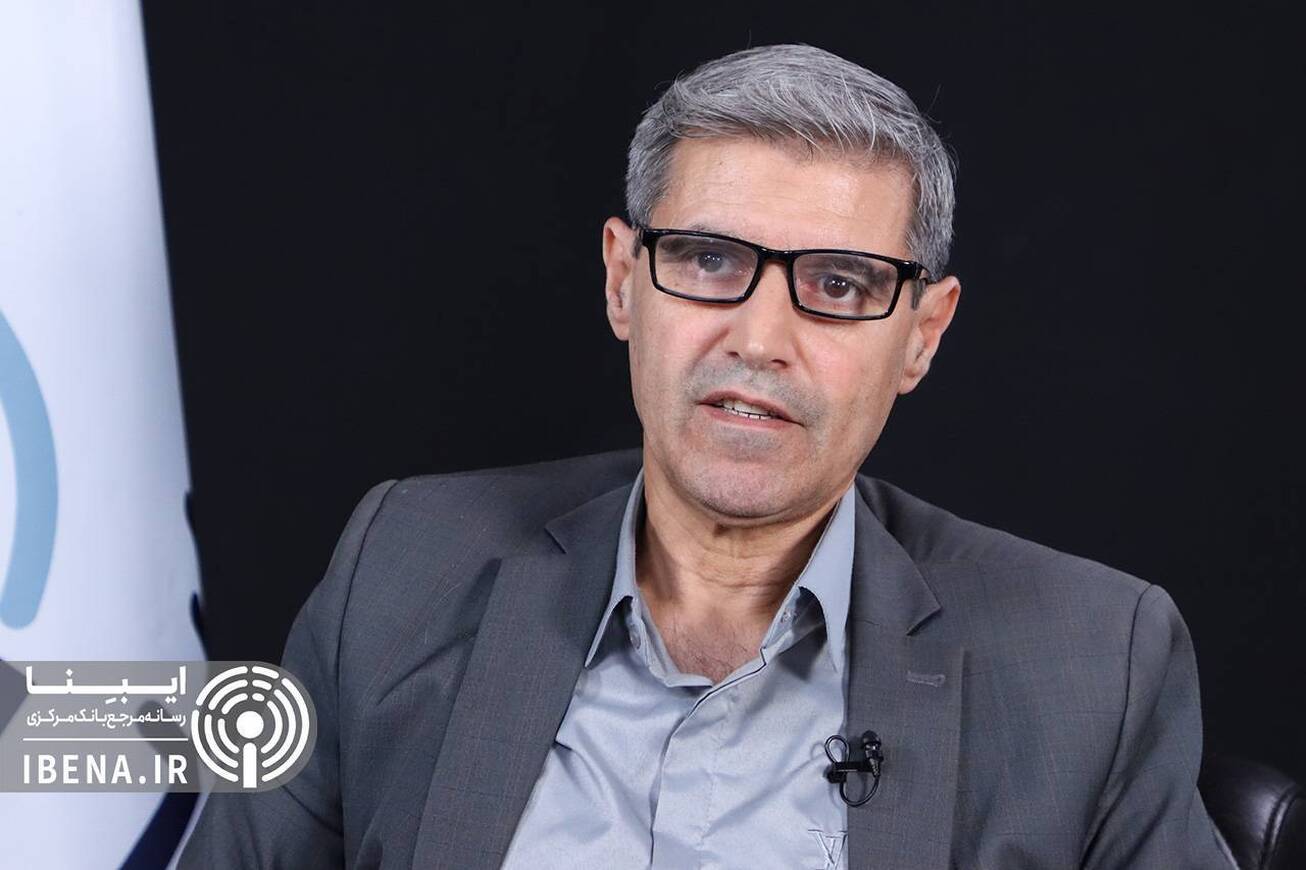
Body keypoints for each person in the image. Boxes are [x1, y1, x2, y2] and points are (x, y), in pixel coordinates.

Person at [179, 43, 1232, 869]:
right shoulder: (401, 566)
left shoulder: (1092, 663)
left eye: (838, 284)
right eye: (708, 259)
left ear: (921, 334)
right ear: (622, 281)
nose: (760, 339)